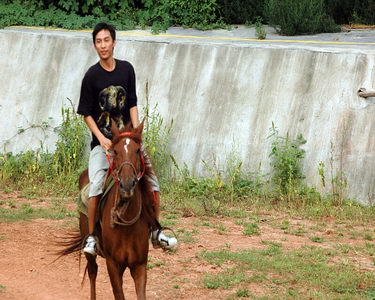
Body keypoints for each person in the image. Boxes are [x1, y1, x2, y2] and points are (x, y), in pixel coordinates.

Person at [77, 22, 177, 256]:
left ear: (114, 42)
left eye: (106, 40)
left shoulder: (127, 69)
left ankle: (155, 230)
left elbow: (131, 103)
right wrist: (101, 139)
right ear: (95, 45)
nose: (103, 45)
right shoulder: (91, 76)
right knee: (97, 185)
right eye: (98, 42)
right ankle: (92, 237)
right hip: (104, 145)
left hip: (128, 143)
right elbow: (86, 114)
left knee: (152, 182)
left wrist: (135, 135)